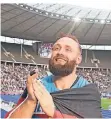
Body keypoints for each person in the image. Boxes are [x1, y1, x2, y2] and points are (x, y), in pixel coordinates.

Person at [5, 34, 101, 118]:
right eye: (56, 48)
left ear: (78, 59)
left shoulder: (87, 92)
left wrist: (53, 113)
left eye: (68, 49)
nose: (60, 52)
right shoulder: (37, 86)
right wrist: (30, 101)